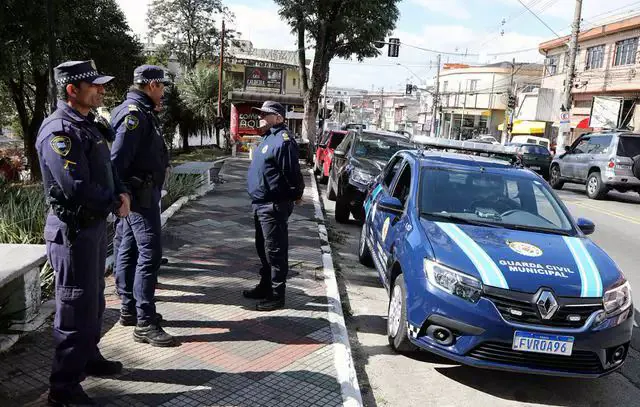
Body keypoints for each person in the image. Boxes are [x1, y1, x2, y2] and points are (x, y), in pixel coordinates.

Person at [36, 60, 131, 406]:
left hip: (91, 228)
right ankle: (63, 388)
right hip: (72, 232)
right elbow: (75, 186)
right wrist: (112, 201)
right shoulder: (59, 130)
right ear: (72, 90)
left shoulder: (88, 125)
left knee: (93, 299)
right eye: (94, 85)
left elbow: (106, 168)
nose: (102, 90)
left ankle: (88, 357)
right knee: (74, 305)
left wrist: (120, 192)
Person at [110, 65, 174, 346]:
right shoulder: (134, 115)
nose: (162, 93)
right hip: (139, 197)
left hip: (139, 195)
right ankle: (145, 322)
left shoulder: (142, 112)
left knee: (130, 249)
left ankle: (130, 309)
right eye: (161, 87)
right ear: (150, 86)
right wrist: (125, 194)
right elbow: (117, 161)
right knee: (150, 254)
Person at [244, 101, 305, 311]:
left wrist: (297, 194)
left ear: (278, 118)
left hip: (273, 205)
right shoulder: (269, 137)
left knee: (275, 252)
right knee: (263, 249)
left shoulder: (283, 141)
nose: (261, 116)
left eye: (265, 114)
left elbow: (292, 173)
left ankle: (277, 296)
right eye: (260, 113)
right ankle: (265, 286)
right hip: (260, 204)